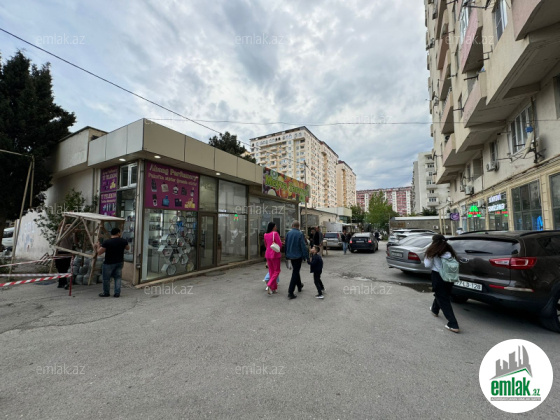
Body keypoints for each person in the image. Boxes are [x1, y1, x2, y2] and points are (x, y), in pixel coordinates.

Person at [424, 234, 460, 333]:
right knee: (442, 294)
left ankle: (453, 324)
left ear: (433, 241)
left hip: (438, 276)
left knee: (443, 298)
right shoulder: (449, 250)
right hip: (450, 276)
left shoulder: (433, 251)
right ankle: (434, 310)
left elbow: (427, 265)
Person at [95, 228, 130, 298]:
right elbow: (128, 248)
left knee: (106, 279)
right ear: (118, 233)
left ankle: (106, 293)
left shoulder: (107, 242)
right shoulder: (123, 241)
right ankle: (117, 293)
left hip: (108, 263)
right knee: (118, 278)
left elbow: (99, 252)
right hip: (119, 262)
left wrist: (98, 245)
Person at [285, 221, 309, 300]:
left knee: (296, 270)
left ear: (292, 225)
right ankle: (290, 292)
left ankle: (299, 286)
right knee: (295, 272)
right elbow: (303, 246)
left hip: (290, 255)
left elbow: (286, 245)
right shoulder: (300, 234)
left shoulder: (288, 233)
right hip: (298, 256)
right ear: (298, 226)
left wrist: (286, 255)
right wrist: (306, 256)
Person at [263, 222, 282, 296]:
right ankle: (270, 284)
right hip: (275, 254)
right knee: (277, 271)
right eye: (275, 226)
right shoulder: (275, 233)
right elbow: (279, 244)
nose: (276, 227)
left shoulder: (265, 234)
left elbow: (266, 245)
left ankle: (274, 288)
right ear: (273, 227)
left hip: (268, 254)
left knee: (271, 271)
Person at [55, 224, 76, 289]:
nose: (67, 228)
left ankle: (63, 283)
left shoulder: (71, 235)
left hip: (67, 253)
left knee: (65, 269)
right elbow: (59, 227)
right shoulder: (60, 234)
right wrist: (64, 222)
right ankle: (61, 283)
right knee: (60, 268)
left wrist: (74, 233)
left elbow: (75, 242)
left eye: (69, 227)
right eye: (67, 227)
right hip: (59, 253)